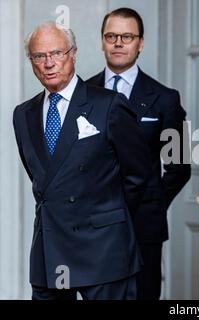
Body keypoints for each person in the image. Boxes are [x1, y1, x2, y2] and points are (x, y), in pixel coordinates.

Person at [13, 22, 150, 300]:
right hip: (49, 252)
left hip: (104, 250)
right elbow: (43, 177)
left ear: (73, 54)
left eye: (57, 53)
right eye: (39, 56)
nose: (49, 63)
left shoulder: (108, 104)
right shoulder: (23, 114)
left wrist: (107, 218)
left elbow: (138, 175)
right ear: (32, 61)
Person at [87, 8, 191, 300]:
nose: (118, 42)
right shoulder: (82, 93)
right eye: (111, 36)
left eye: (127, 36)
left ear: (140, 43)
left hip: (144, 227)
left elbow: (180, 164)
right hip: (93, 228)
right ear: (102, 41)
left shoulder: (166, 98)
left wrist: (151, 203)